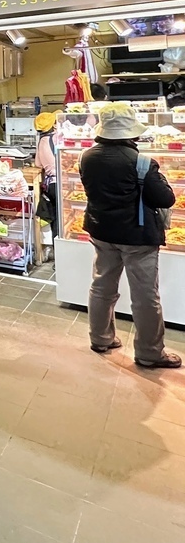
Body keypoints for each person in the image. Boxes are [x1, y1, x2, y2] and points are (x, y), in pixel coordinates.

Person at [80, 102, 180, 368]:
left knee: (101, 286)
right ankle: (149, 353)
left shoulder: (86, 157)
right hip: (137, 238)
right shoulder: (142, 163)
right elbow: (166, 199)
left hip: (101, 231)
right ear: (130, 133)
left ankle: (100, 338)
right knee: (145, 295)